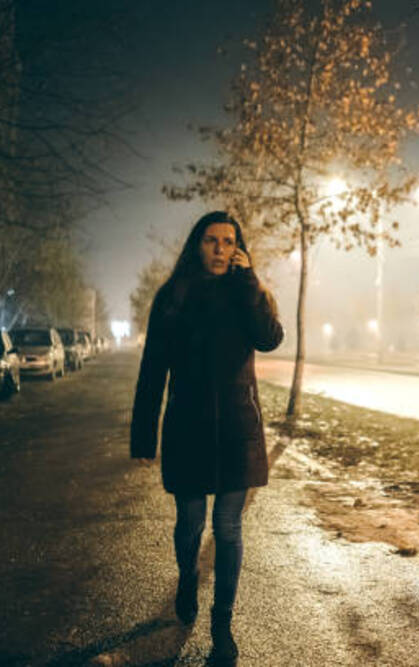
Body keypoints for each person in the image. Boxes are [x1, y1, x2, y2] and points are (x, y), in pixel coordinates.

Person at [130, 211, 283, 665]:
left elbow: (270, 338)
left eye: (228, 241)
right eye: (211, 241)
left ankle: (222, 621)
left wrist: (250, 283)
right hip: (188, 428)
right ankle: (186, 576)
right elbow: (153, 367)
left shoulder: (248, 293)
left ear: (239, 249)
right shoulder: (174, 295)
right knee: (191, 524)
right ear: (198, 245)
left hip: (238, 429)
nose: (219, 249)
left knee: (229, 528)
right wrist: (144, 434)